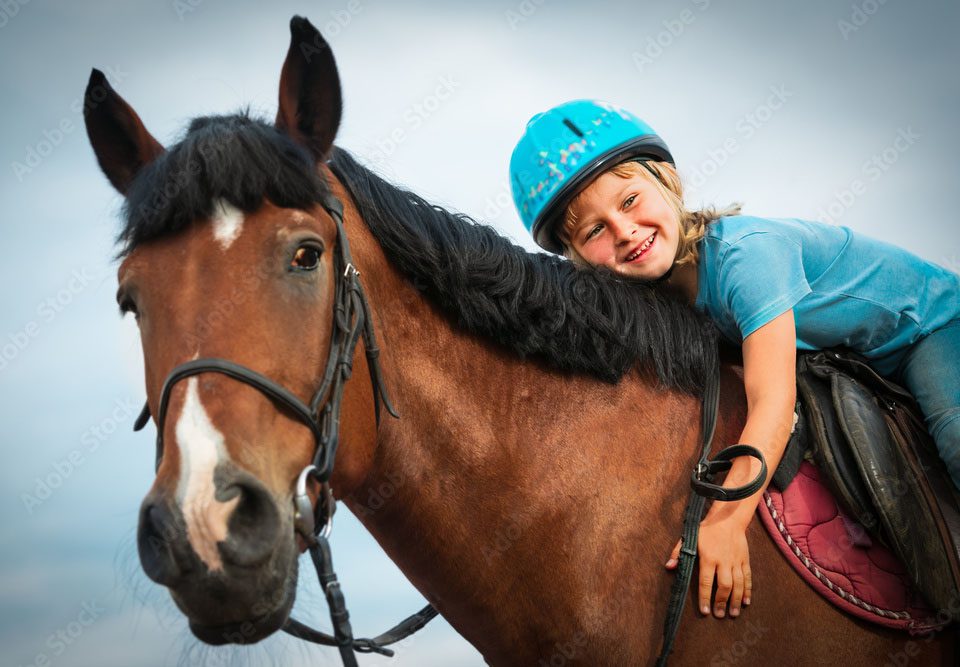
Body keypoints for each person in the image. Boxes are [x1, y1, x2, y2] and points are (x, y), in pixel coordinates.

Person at [509, 99, 960, 621]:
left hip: (930, 328)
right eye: (594, 231)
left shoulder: (749, 256)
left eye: (630, 200)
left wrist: (727, 521)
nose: (625, 231)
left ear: (668, 182)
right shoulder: (662, 296)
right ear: (577, 260)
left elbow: (773, 399)